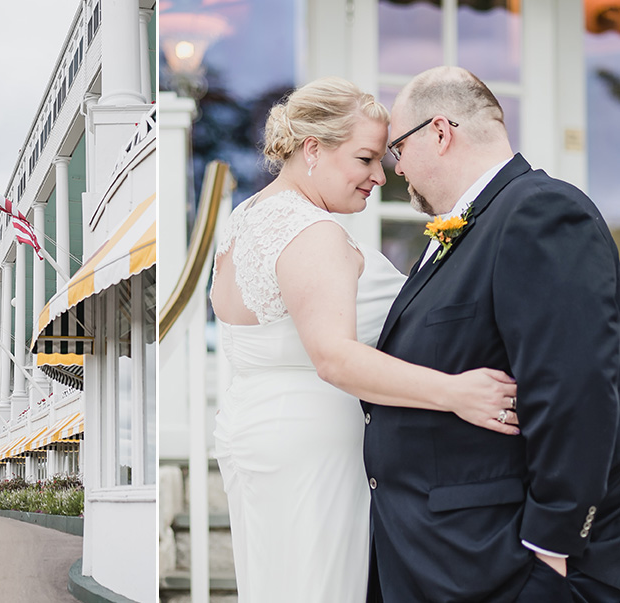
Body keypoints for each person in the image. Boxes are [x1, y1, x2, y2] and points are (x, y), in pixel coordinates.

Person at [209, 76, 519, 603]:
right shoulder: (313, 233)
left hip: (258, 433)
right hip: (315, 448)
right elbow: (333, 357)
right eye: (365, 159)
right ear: (313, 149)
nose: (381, 175)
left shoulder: (246, 219)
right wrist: (458, 393)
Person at [366, 65, 620, 602]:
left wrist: (552, 545)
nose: (395, 170)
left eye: (397, 150)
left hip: (504, 564)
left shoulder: (541, 211)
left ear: (440, 132)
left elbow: (577, 388)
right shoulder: (465, 229)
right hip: (439, 554)